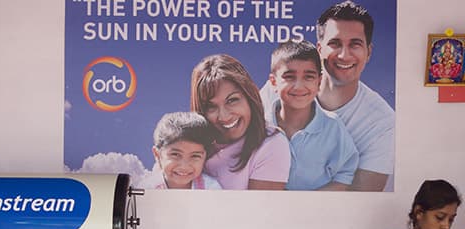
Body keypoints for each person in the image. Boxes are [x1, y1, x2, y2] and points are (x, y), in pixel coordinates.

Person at [260, 1, 394, 191]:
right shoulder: (277, 88)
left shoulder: (383, 122)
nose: (344, 55)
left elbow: (362, 197)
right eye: (335, 43)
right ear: (320, 48)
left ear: (369, 52)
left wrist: (293, 209)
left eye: (355, 45)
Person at [267, 40, 359, 191]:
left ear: (319, 81)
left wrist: (312, 204)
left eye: (308, 77)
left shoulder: (332, 126)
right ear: (273, 82)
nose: (299, 86)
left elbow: (344, 175)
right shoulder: (260, 126)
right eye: (289, 77)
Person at [191, 54, 291, 190]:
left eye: (232, 100)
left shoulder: (271, 143)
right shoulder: (189, 142)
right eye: (211, 107)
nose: (224, 116)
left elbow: (260, 209)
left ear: (249, 96)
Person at [141, 112, 222, 190]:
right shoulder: (147, 189)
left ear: (205, 156)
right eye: (175, 154)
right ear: (157, 155)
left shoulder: (210, 188)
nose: (184, 166)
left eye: (195, 156)